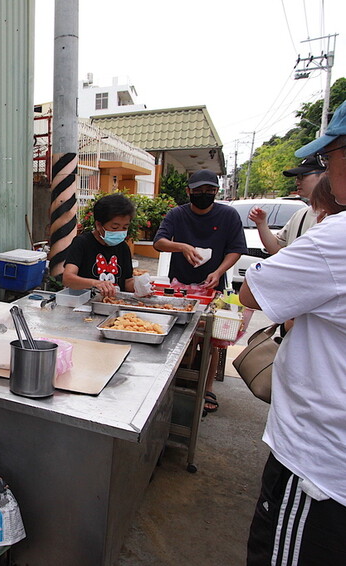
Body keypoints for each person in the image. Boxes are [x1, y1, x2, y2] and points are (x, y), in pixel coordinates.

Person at [240, 101, 346, 565]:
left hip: (320, 467)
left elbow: (251, 292)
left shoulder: (336, 237)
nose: (324, 170)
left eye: (327, 157)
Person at [152, 170, 247, 413]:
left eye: (209, 190)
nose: (204, 194)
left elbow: (236, 248)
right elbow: (159, 242)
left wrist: (219, 271)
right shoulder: (177, 214)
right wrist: (182, 246)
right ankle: (179, 382)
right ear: (189, 191)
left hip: (211, 286)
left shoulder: (228, 215)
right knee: (180, 337)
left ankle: (207, 388)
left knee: (210, 341)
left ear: (216, 191)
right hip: (180, 287)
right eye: (198, 190)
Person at [247, 155, 325, 255]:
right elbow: (276, 248)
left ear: (324, 175)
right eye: (297, 177)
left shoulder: (337, 216)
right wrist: (261, 223)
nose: (297, 182)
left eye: (302, 176)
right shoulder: (300, 215)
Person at [63, 193, 135, 297]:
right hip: (84, 302)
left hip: (114, 303)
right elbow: (68, 278)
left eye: (124, 228)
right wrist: (95, 283)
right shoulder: (82, 243)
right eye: (114, 227)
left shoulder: (123, 247)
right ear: (99, 225)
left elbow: (128, 282)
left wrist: (140, 286)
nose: (120, 231)